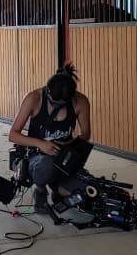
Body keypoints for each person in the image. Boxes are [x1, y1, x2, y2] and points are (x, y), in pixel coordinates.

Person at [8, 64, 91, 214]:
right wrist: (40, 143)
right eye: (54, 101)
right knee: (46, 165)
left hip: (64, 157)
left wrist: (69, 143)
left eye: (62, 104)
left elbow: (86, 134)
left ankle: (58, 189)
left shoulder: (80, 101)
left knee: (84, 192)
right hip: (38, 157)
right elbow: (13, 134)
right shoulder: (34, 98)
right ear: (48, 90)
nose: (57, 105)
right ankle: (40, 189)